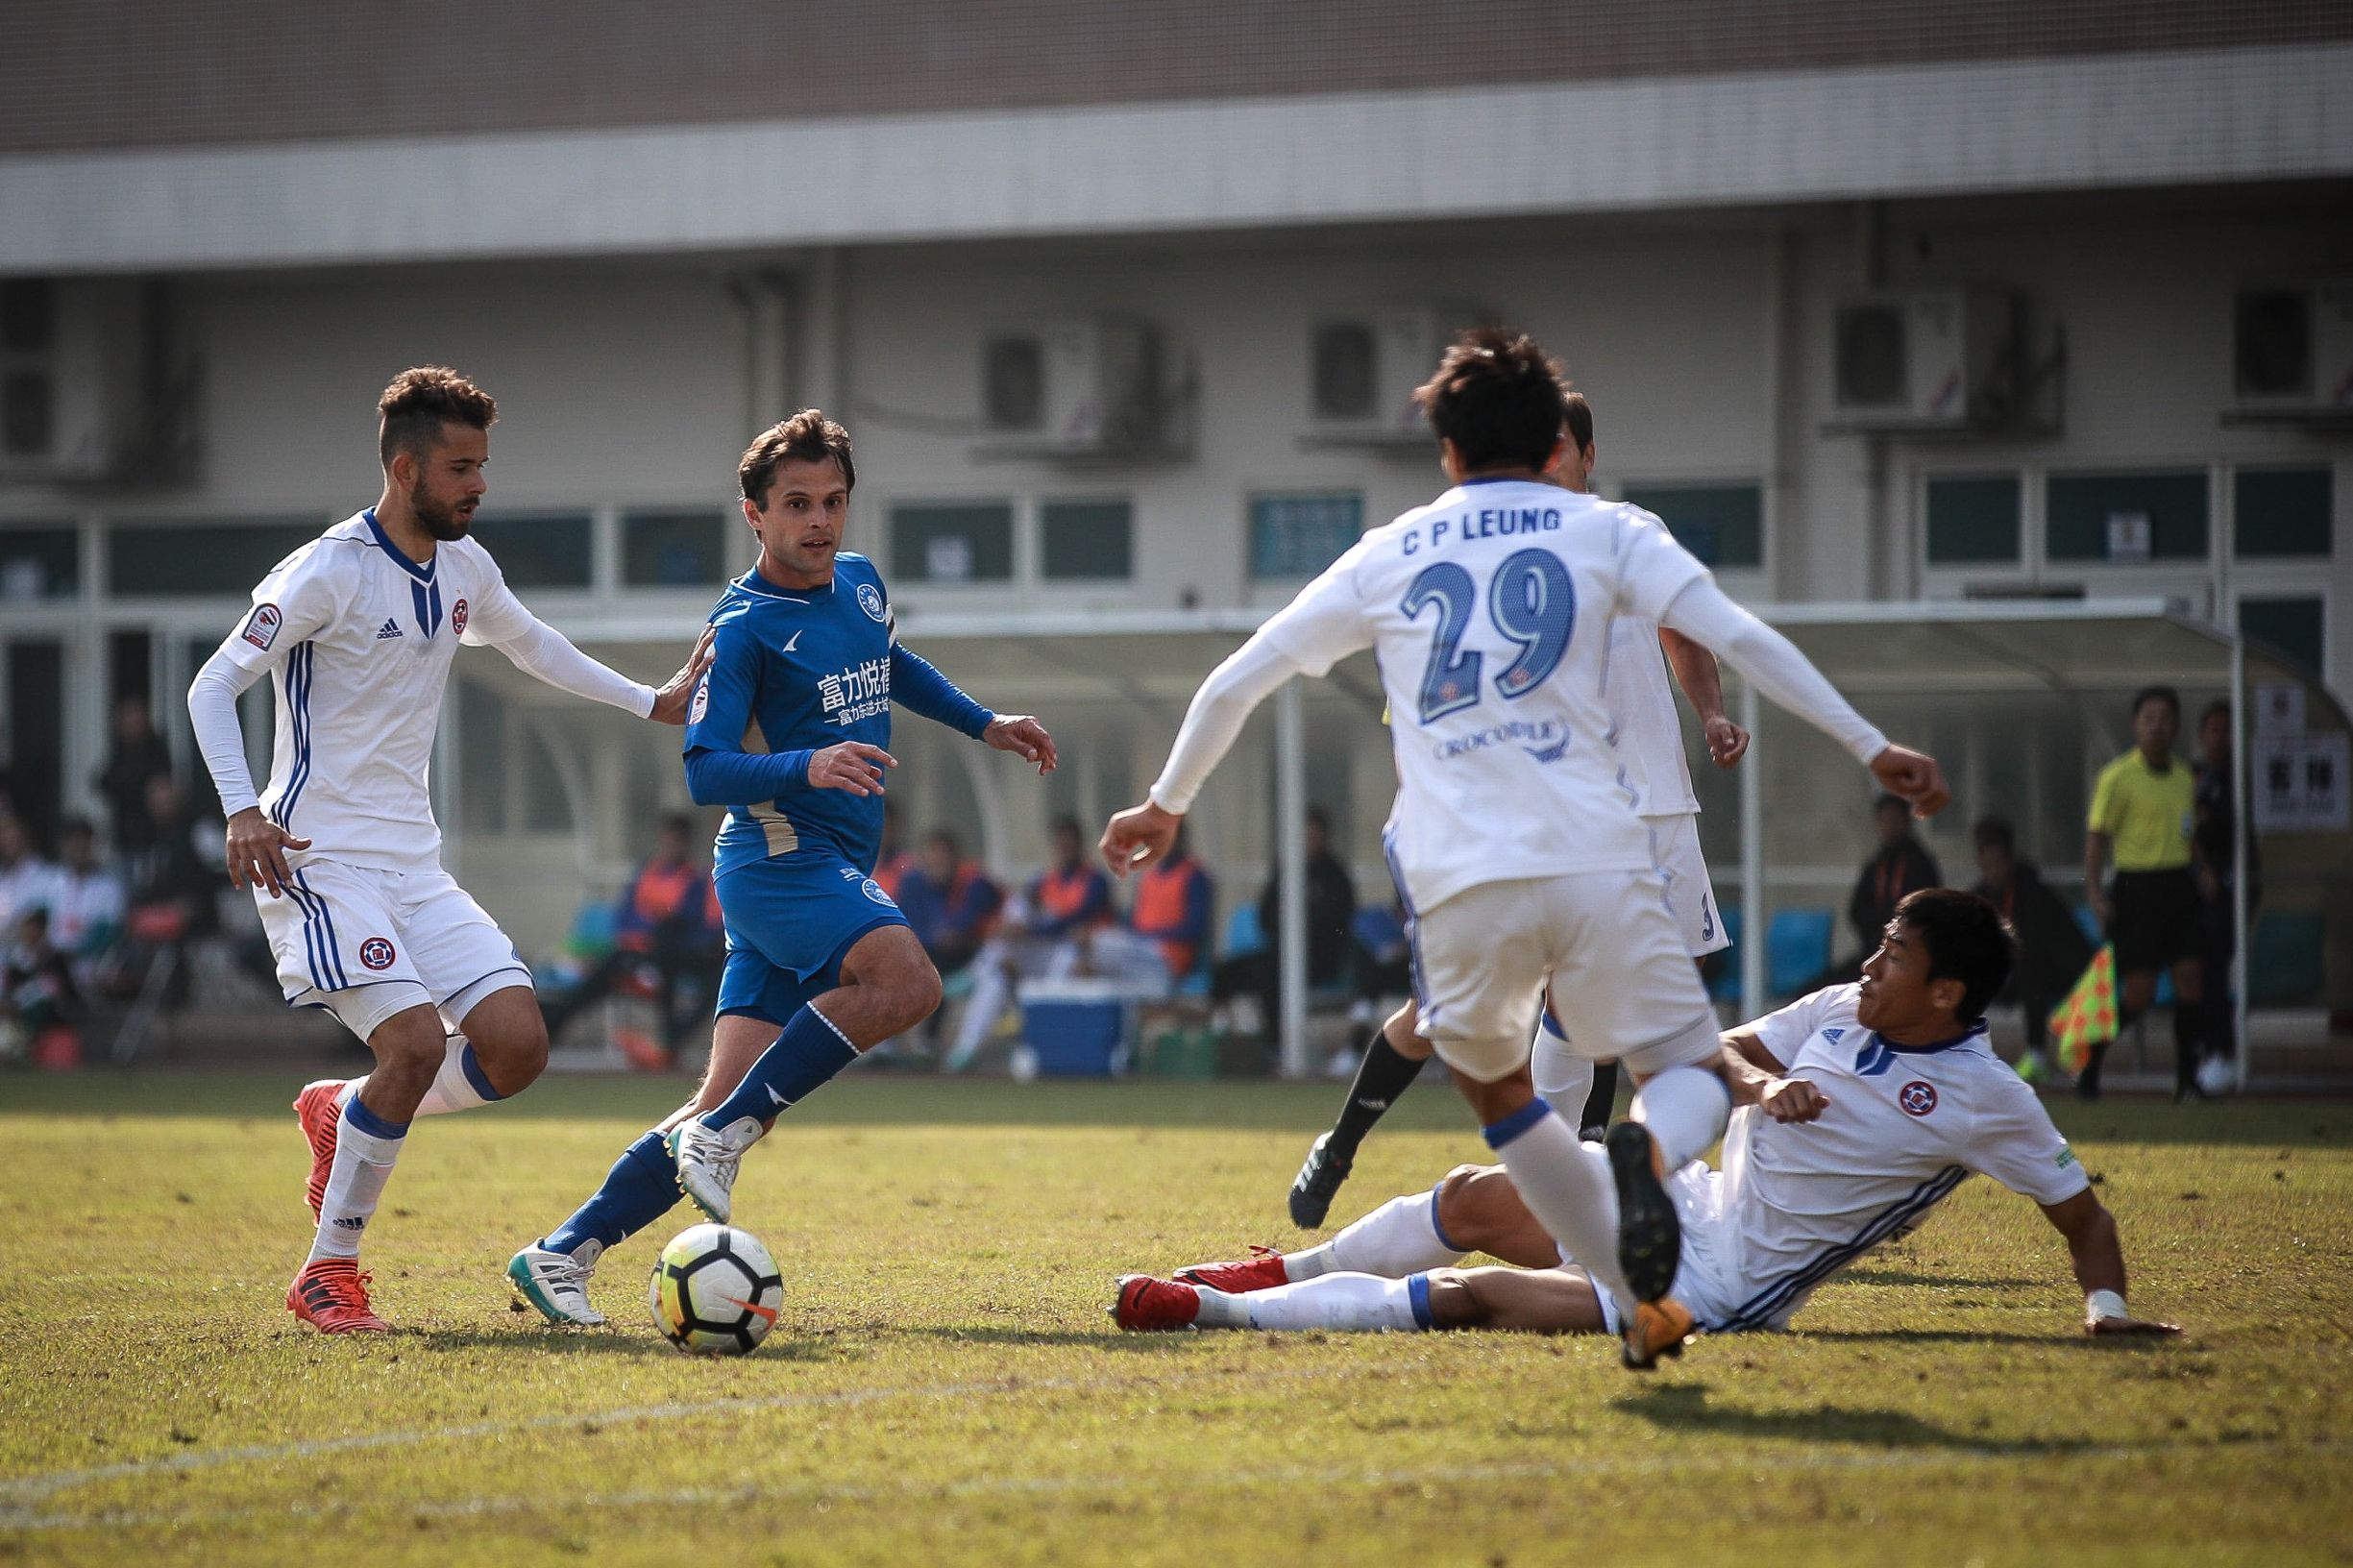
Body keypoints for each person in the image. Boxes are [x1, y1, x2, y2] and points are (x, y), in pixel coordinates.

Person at [1099, 326, 1948, 1367]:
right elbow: (1741, 638)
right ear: (1557, 441)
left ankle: (1637, 1307)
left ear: (1446, 451)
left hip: (1459, 876)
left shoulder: (1397, 547)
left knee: (1506, 1101)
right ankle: (1646, 1158)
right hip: (1599, 848)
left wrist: (1164, 801)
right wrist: (1871, 746)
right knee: (1686, 1071)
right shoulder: (1612, 529)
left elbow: (1240, 677)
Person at [184, 366, 714, 1334]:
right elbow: (212, 687)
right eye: (461, 467)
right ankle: (327, 1274)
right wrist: (239, 810)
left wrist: (653, 701)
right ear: (403, 467)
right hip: (318, 858)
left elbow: (535, 645)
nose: (478, 485)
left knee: (516, 1046)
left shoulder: (465, 571)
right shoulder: (326, 571)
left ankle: (346, 1113)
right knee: (417, 1043)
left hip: (412, 868)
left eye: (482, 466)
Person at [510, 410, 1056, 1326]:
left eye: (833, 502)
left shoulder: (860, 583)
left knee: (713, 1100)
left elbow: (890, 663)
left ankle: (562, 1253)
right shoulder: (743, 627)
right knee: (908, 983)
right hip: (777, 863)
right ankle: (728, 1138)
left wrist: (984, 723)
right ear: (753, 515)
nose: (819, 522)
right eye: (796, 504)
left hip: (822, 864)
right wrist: (807, 764)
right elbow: (703, 764)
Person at [1113, 891, 2179, 1347]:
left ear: (1947, 993)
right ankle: (1266, 1273)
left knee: (1481, 1296)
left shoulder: (1989, 1096)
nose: (1868, 965)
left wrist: (2101, 1306)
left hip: (1720, 1286)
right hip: (1688, 1198)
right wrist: (1762, 1088)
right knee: (1481, 1194)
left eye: (1894, 954)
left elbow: (2081, 1215)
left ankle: (1213, 1319)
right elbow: (1714, 1055)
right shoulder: (1837, 1011)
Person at [1287, 389, 1749, 1227]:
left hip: (1647, 807)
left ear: (1586, 455)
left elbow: (1685, 631)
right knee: (1444, 1010)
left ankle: (1604, 1181)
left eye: (1558, 449)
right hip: (1526, 820)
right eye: (1530, 450)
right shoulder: (1480, 564)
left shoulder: (1627, 535)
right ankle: (1343, 1144)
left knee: (1625, 1006)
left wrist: (1710, 712)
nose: (1543, 465)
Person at [2082, 686, 2206, 1101]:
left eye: (2166, 718)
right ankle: (2091, 1057)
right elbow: (2097, 838)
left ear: (2176, 727)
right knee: (2140, 993)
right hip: (2138, 889)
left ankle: (2187, 1081)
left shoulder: (2186, 776)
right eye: (2149, 718)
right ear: (2136, 725)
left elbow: (2189, 833)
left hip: (2179, 886)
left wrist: (2201, 868)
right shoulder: (2116, 777)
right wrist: (2096, 893)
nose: (2157, 726)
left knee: (2191, 980)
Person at [539, 814, 723, 1066]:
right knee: (609, 970)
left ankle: (667, 1044)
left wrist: (657, 931)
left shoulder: (693, 881)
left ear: (685, 843)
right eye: (666, 840)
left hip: (668, 956)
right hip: (638, 954)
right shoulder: (646, 874)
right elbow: (626, 919)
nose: (669, 846)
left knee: (675, 960)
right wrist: (646, 933)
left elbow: (690, 925)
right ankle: (549, 1025)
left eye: (675, 840)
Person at [944, 816, 1109, 1071]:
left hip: (1075, 956)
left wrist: (1027, 931)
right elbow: (1019, 909)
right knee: (996, 977)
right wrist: (1015, 931)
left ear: (1079, 845)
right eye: (1060, 843)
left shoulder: (1094, 880)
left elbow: (1072, 922)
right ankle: (966, 1049)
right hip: (1041, 952)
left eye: (1070, 843)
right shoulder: (1044, 880)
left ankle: (977, 972)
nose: (1065, 848)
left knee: (1052, 948)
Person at [1971, 818, 2091, 1084]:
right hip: (2009, 974)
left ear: (2009, 860)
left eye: (1996, 862)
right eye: (1985, 863)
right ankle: (1951, 1057)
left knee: (2030, 969)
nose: (1990, 870)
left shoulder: (2034, 894)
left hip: (2062, 970)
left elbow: (2042, 947)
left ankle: (2037, 1054)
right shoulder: (1979, 896)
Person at [2193, 700, 2257, 1085]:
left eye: (2226, 729)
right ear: (2203, 734)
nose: (2219, 736)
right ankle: (2210, 1049)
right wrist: (2202, 866)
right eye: (2213, 728)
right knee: (2203, 970)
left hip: (2236, 887)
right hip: (2203, 892)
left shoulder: (2242, 778)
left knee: (2217, 967)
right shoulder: (2197, 776)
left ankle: (2223, 1051)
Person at [1836, 794, 1942, 977]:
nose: (1889, 827)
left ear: (1906, 822)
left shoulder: (1920, 864)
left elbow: (1924, 913)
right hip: (1872, 951)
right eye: (1884, 821)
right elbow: (1857, 910)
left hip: (1908, 957)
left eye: (1894, 820)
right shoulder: (1875, 865)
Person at [46, 817, 126, 992]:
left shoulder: (109, 886)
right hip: (50, 962)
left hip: (89, 964)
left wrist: (74, 953)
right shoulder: (53, 881)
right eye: (74, 843)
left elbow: (109, 933)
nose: (79, 849)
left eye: (85, 843)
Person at [93, 696, 174, 862]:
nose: (132, 725)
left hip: (154, 836)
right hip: (124, 837)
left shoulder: (156, 752)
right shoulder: (120, 753)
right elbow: (103, 782)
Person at [0, 812, 61, 934]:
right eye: (4, 834)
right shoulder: (3, 879)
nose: (9, 841)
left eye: (14, 835)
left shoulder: (49, 877)